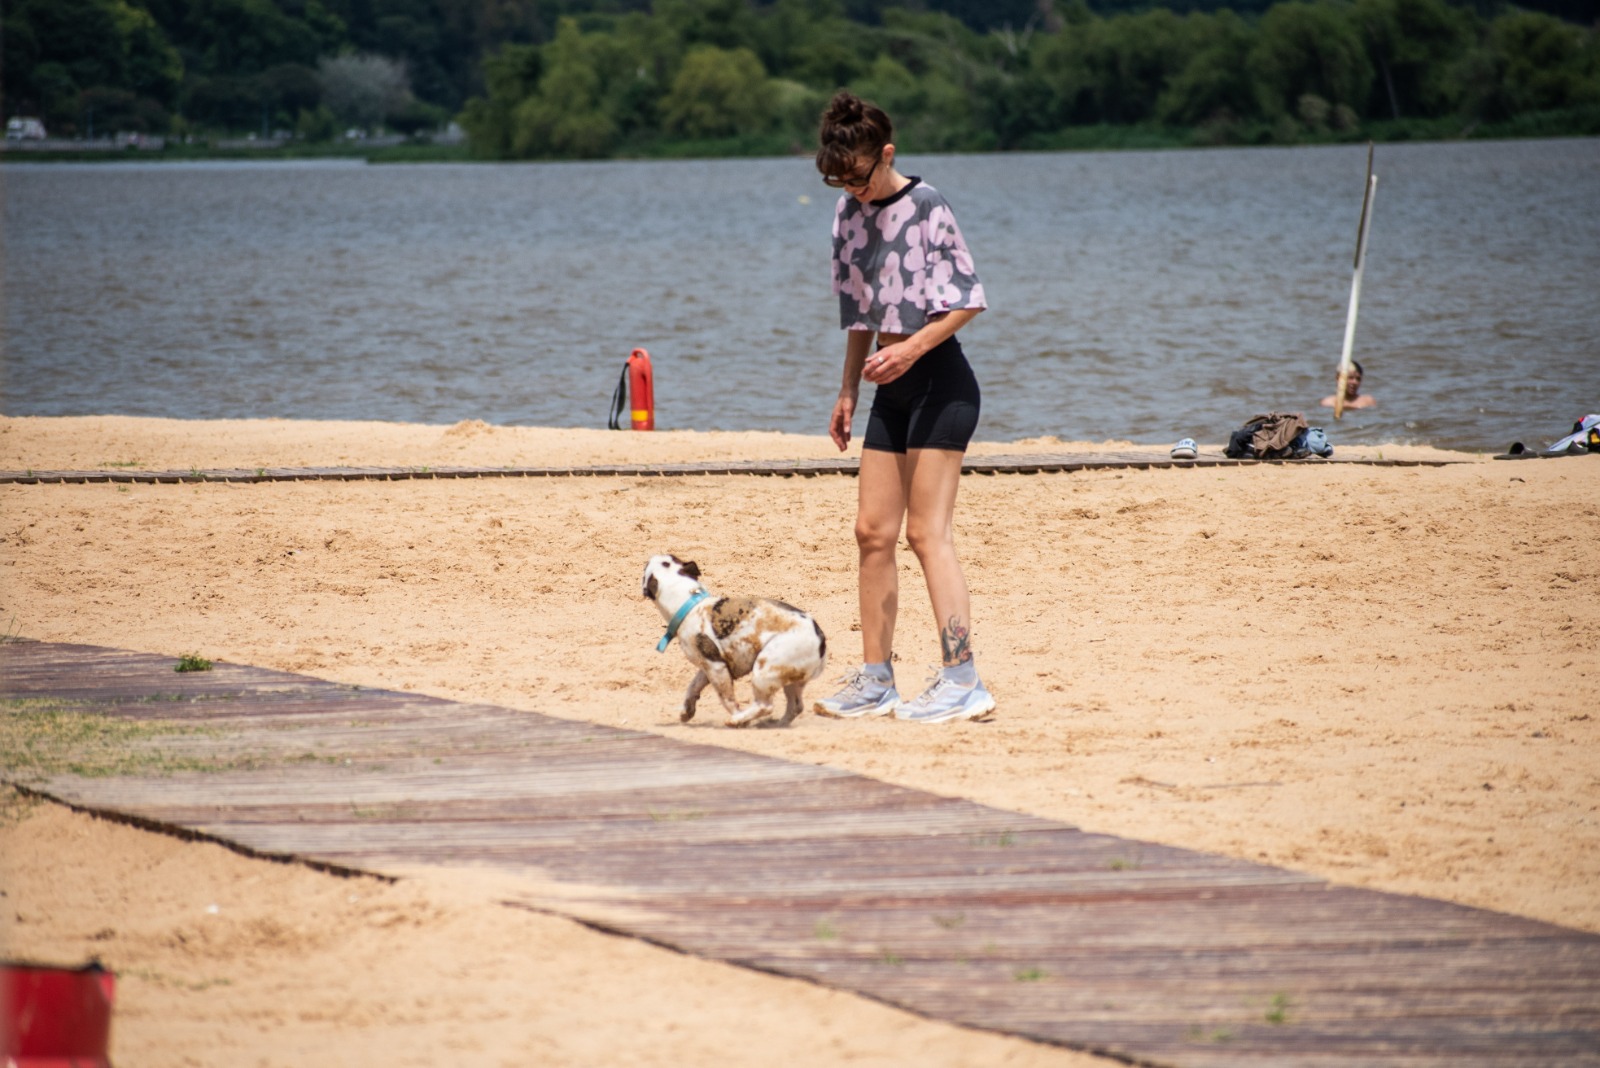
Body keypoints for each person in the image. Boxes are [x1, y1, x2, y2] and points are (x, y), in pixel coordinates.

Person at [810, 91, 996, 726]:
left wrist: (910, 350)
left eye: (859, 177)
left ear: (886, 154)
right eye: (839, 180)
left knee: (926, 533)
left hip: (941, 381)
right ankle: (877, 680)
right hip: (890, 386)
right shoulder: (847, 213)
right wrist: (848, 390)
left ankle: (963, 680)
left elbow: (968, 299)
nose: (852, 190)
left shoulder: (927, 205)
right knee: (872, 533)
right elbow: (860, 315)